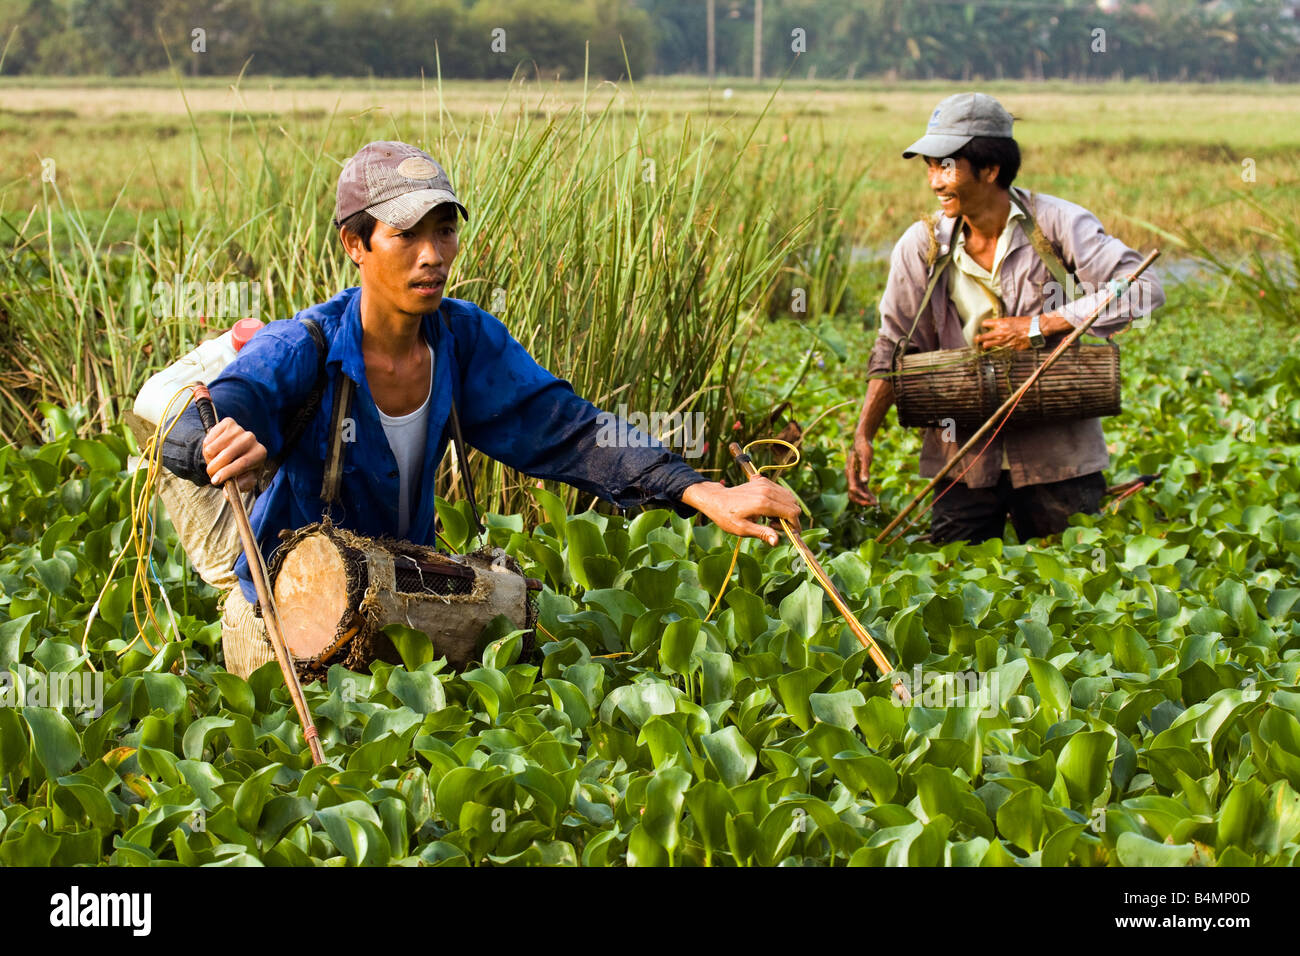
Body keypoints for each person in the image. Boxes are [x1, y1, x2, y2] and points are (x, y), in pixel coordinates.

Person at [162, 140, 799, 675]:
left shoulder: (464, 342)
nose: (433, 255)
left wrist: (698, 492)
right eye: (406, 234)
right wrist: (212, 441)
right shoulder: (306, 344)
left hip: (397, 601)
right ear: (356, 244)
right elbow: (218, 410)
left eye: (444, 231)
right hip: (289, 613)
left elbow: (571, 431)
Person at [846, 93, 1164, 544]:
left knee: (1075, 584)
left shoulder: (1058, 223)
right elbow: (894, 343)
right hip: (963, 458)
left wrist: (1041, 325)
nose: (936, 181)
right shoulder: (922, 243)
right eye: (930, 167)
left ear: (990, 169)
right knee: (955, 584)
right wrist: (865, 433)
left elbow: (1142, 287)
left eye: (948, 166)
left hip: (1059, 457)